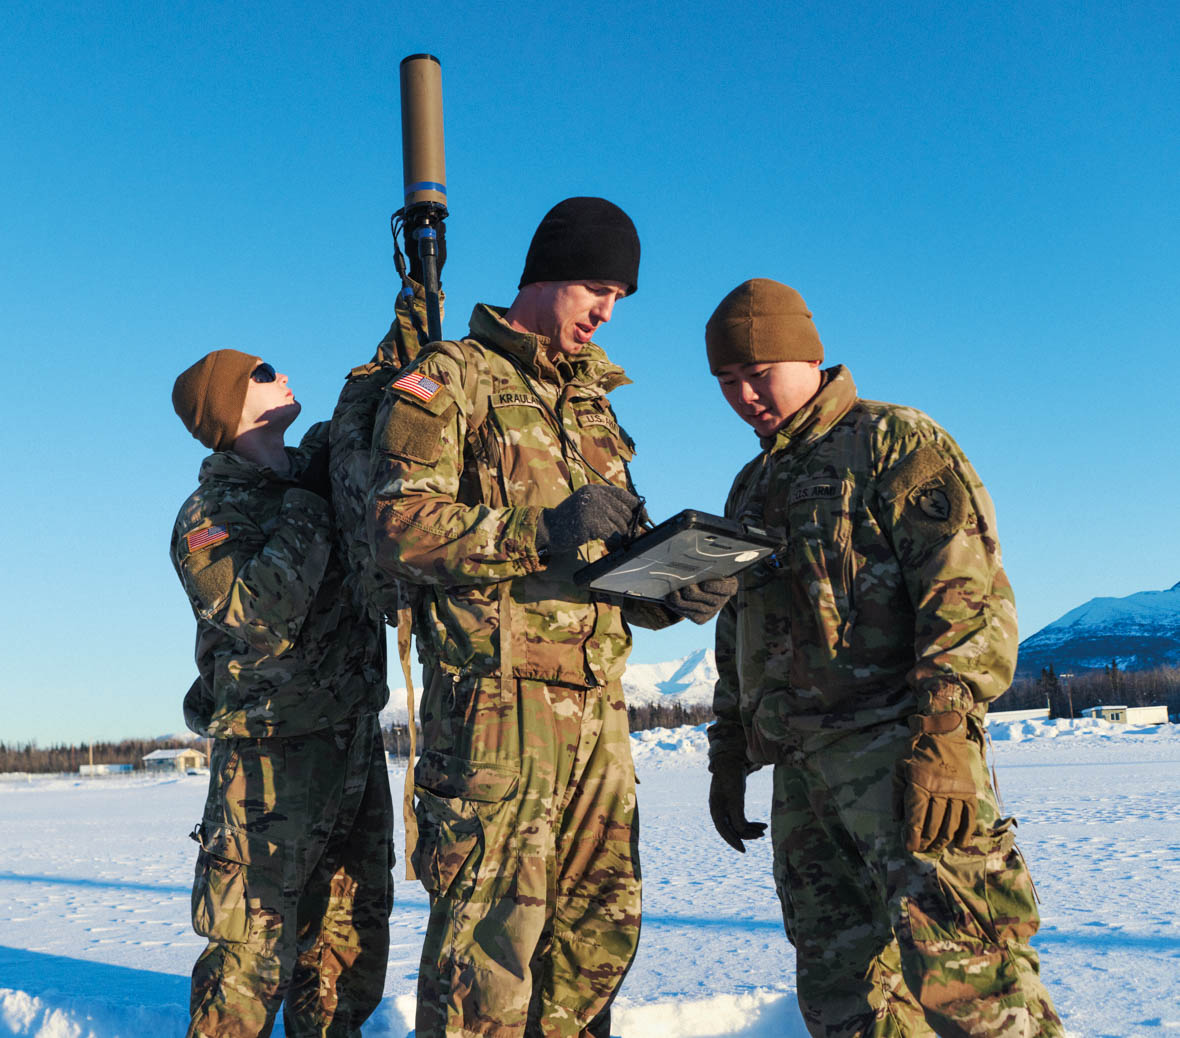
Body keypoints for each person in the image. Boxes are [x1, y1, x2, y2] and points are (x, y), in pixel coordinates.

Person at [366, 197, 733, 1038]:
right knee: (486, 962)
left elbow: (606, 567)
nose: (607, 313)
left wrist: (672, 591)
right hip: (499, 717)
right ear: (546, 272)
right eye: (596, 287)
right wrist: (540, 531)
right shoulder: (449, 379)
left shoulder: (596, 405)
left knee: (595, 942)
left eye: (621, 299)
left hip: (598, 713)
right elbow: (395, 530)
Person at [704, 279, 1063, 1038]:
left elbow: (965, 595)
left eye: (758, 374)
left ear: (809, 355)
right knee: (841, 991)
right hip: (803, 772)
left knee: (971, 978)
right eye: (727, 382)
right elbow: (738, 627)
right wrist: (729, 750)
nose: (745, 396)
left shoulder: (895, 442)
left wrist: (947, 738)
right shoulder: (753, 486)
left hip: (905, 756)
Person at [170, 349, 393, 1038]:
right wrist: (307, 504)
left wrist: (417, 297)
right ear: (229, 406)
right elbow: (262, 616)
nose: (284, 375)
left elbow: (370, 400)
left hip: (353, 738)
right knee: (248, 948)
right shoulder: (209, 516)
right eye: (263, 374)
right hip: (270, 758)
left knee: (348, 933)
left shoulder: (314, 465)